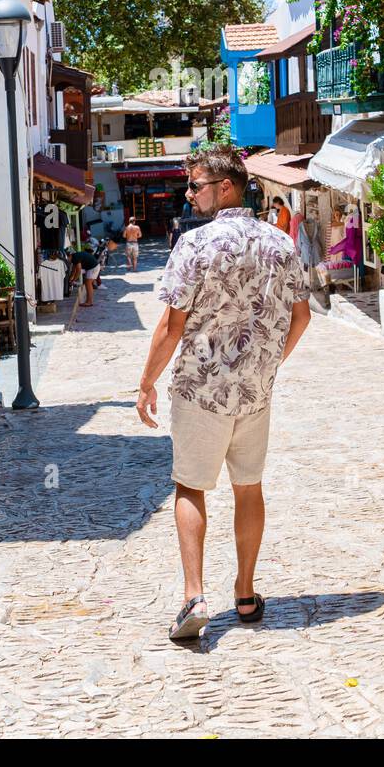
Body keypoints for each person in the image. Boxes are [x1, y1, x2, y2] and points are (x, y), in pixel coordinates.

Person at [136, 148, 311, 642]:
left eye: (196, 186)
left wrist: (147, 382)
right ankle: (246, 592)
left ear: (227, 187)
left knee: (191, 487)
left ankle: (194, 597)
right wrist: (269, 365)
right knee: (248, 487)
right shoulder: (281, 243)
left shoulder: (193, 245)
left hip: (199, 391)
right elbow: (302, 317)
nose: (189, 194)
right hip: (255, 393)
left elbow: (171, 327)